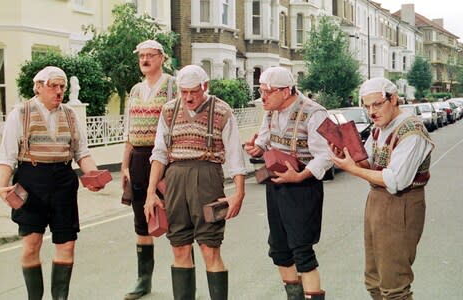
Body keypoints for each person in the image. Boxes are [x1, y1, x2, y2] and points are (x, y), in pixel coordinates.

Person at [0, 66, 104, 300]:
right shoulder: (20, 113)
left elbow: (81, 152)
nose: (59, 91)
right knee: (31, 244)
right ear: (39, 87)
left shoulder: (70, 114)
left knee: (66, 244)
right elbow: (7, 156)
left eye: (62, 86)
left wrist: (93, 175)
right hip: (31, 180)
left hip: (63, 181)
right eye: (53, 86)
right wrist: (1, 186)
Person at [144, 64, 246, 300]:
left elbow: (234, 155)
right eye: (184, 92)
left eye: (194, 92)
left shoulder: (222, 111)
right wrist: (151, 192)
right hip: (175, 178)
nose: (189, 97)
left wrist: (239, 193)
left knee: (209, 247)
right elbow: (159, 153)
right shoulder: (169, 111)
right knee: (179, 245)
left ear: (205, 86)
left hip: (208, 178)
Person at [331, 77, 434, 300]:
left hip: (402, 203)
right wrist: (346, 156)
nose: (371, 112)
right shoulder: (381, 127)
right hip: (377, 199)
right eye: (367, 106)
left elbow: (396, 180)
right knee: (374, 278)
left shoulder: (411, 130)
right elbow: (368, 162)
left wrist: (352, 169)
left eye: (377, 104)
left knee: (394, 283)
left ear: (394, 99)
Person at [244, 66, 332, 299]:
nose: (262, 97)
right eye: (261, 91)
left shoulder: (315, 113)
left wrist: (300, 175)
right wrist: (256, 147)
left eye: (267, 92)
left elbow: (326, 156)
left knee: (302, 251)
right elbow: (263, 140)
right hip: (277, 184)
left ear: (285, 91)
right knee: (280, 250)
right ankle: (294, 296)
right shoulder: (271, 110)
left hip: (303, 187)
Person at [120, 39, 176, 300]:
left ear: (161, 58)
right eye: (141, 56)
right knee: (141, 220)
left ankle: (184, 280)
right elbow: (129, 130)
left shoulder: (172, 86)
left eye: (150, 56)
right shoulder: (134, 91)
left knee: (176, 218)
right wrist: (124, 165)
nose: (145, 60)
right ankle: (144, 280)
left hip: (166, 159)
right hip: (139, 159)